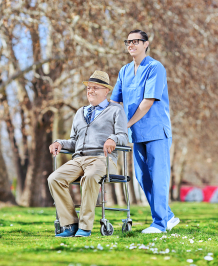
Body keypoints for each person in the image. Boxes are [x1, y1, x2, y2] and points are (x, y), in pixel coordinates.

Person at [110, 29, 180, 234]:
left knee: (158, 176)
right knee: (142, 177)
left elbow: (148, 101)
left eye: (136, 41)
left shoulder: (155, 67)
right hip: (136, 132)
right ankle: (167, 217)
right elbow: (115, 100)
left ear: (146, 44)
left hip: (156, 130)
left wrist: (126, 123)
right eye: (128, 42)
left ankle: (159, 223)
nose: (131, 45)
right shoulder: (124, 71)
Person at [48, 70, 128, 238]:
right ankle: (70, 224)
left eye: (95, 88)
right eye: (88, 88)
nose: (90, 91)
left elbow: (123, 136)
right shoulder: (80, 112)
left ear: (106, 91)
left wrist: (112, 139)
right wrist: (60, 143)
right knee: (54, 178)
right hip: (79, 159)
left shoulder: (116, 110)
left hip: (102, 159)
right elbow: (74, 141)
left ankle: (85, 226)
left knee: (90, 177)